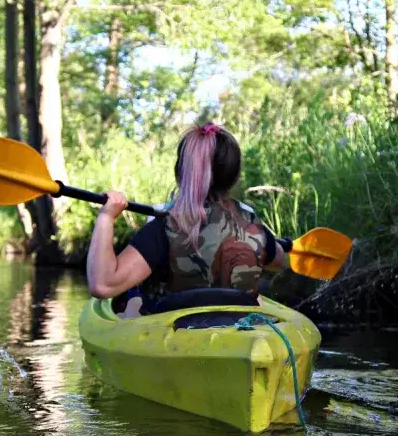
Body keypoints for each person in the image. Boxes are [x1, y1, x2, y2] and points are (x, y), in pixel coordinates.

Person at [86, 123, 286, 313]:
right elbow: (278, 262)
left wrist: (106, 217)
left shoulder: (164, 229)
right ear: (234, 176)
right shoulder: (254, 227)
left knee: (134, 298)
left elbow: (102, 285)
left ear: (179, 172)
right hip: (242, 328)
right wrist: (266, 244)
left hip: (176, 332)